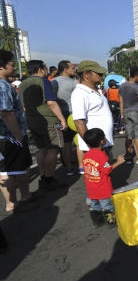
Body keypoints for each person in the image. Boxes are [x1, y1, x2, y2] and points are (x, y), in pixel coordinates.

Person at [0, 51, 43, 213]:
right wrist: (17, 135)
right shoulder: (2, 86)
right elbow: (5, 112)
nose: (13, 66)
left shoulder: (5, 84)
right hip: (9, 136)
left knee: (17, 168)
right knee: (9, 171)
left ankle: (25, 196)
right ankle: (13, 203)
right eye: (11, 64)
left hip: (10, 135)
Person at [18, 60, 69, 190]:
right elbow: (51, 102)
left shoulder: (23, 83)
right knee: (54, 148)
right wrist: (62, 120)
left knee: (42, 149)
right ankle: (49, 180)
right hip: (49, 121)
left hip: (32, 121)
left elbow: (23, 106)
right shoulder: (44, 81)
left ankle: (43, 177)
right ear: (40, 69)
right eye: (45, 68)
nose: (46, 70)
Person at [82, 128, 125, 228]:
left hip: (91, 187)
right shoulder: (101, 155)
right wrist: (118, 162)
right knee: (107, 205)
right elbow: (107, 170)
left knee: (94, 205)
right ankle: (111, 222)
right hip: (103, 187)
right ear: (102, 141)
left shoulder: (86, 155)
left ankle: (97, 222)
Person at [71, 60, 114, 156]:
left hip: (104, 143)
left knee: (106, 170)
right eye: (98, 73)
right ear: (86, 74)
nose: (101, 75)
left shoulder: (97, 90)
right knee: (99, 170)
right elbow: (78, 121)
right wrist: (92, 146)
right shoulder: (80, 93)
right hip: (95, 147)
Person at [51, 60, 79, 175]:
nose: (74, 70)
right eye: (72, 68)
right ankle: (83, 165)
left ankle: (69, 167)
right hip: (73, 114)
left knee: (66, 142)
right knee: (79, 140)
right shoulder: (73, 82)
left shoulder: (53, 82)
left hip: (59, 115)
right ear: (66, 70)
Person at [119, 66, 138, 164]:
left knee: (129, 135)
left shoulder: (122, 86)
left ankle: (128, 156)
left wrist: (121, 113)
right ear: (137, 75)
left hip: (126, 112)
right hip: (136, 112)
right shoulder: (137, 87)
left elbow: (121, 101)